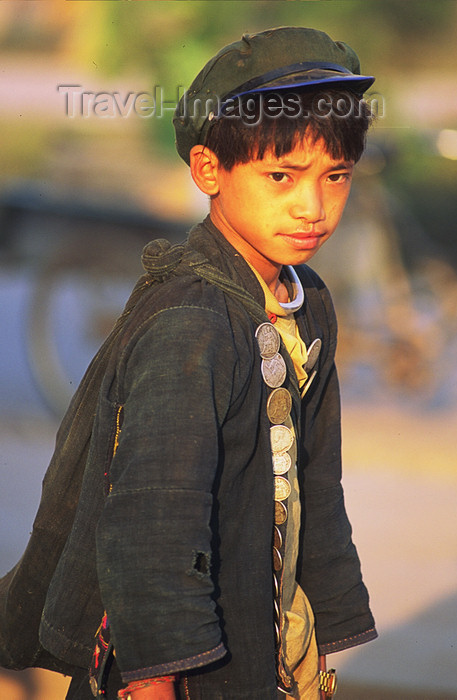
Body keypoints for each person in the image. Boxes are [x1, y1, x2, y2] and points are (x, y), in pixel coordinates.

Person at [20, 26, 379, 700]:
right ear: (209, 169)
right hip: (178, 666)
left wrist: (322, 634)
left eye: (337, 176)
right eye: (282, 176)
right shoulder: (192, 322)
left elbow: (316, 484)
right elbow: (151, 523)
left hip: (265, 639)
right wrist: (156, 683)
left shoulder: (310, 303)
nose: (314, 206)